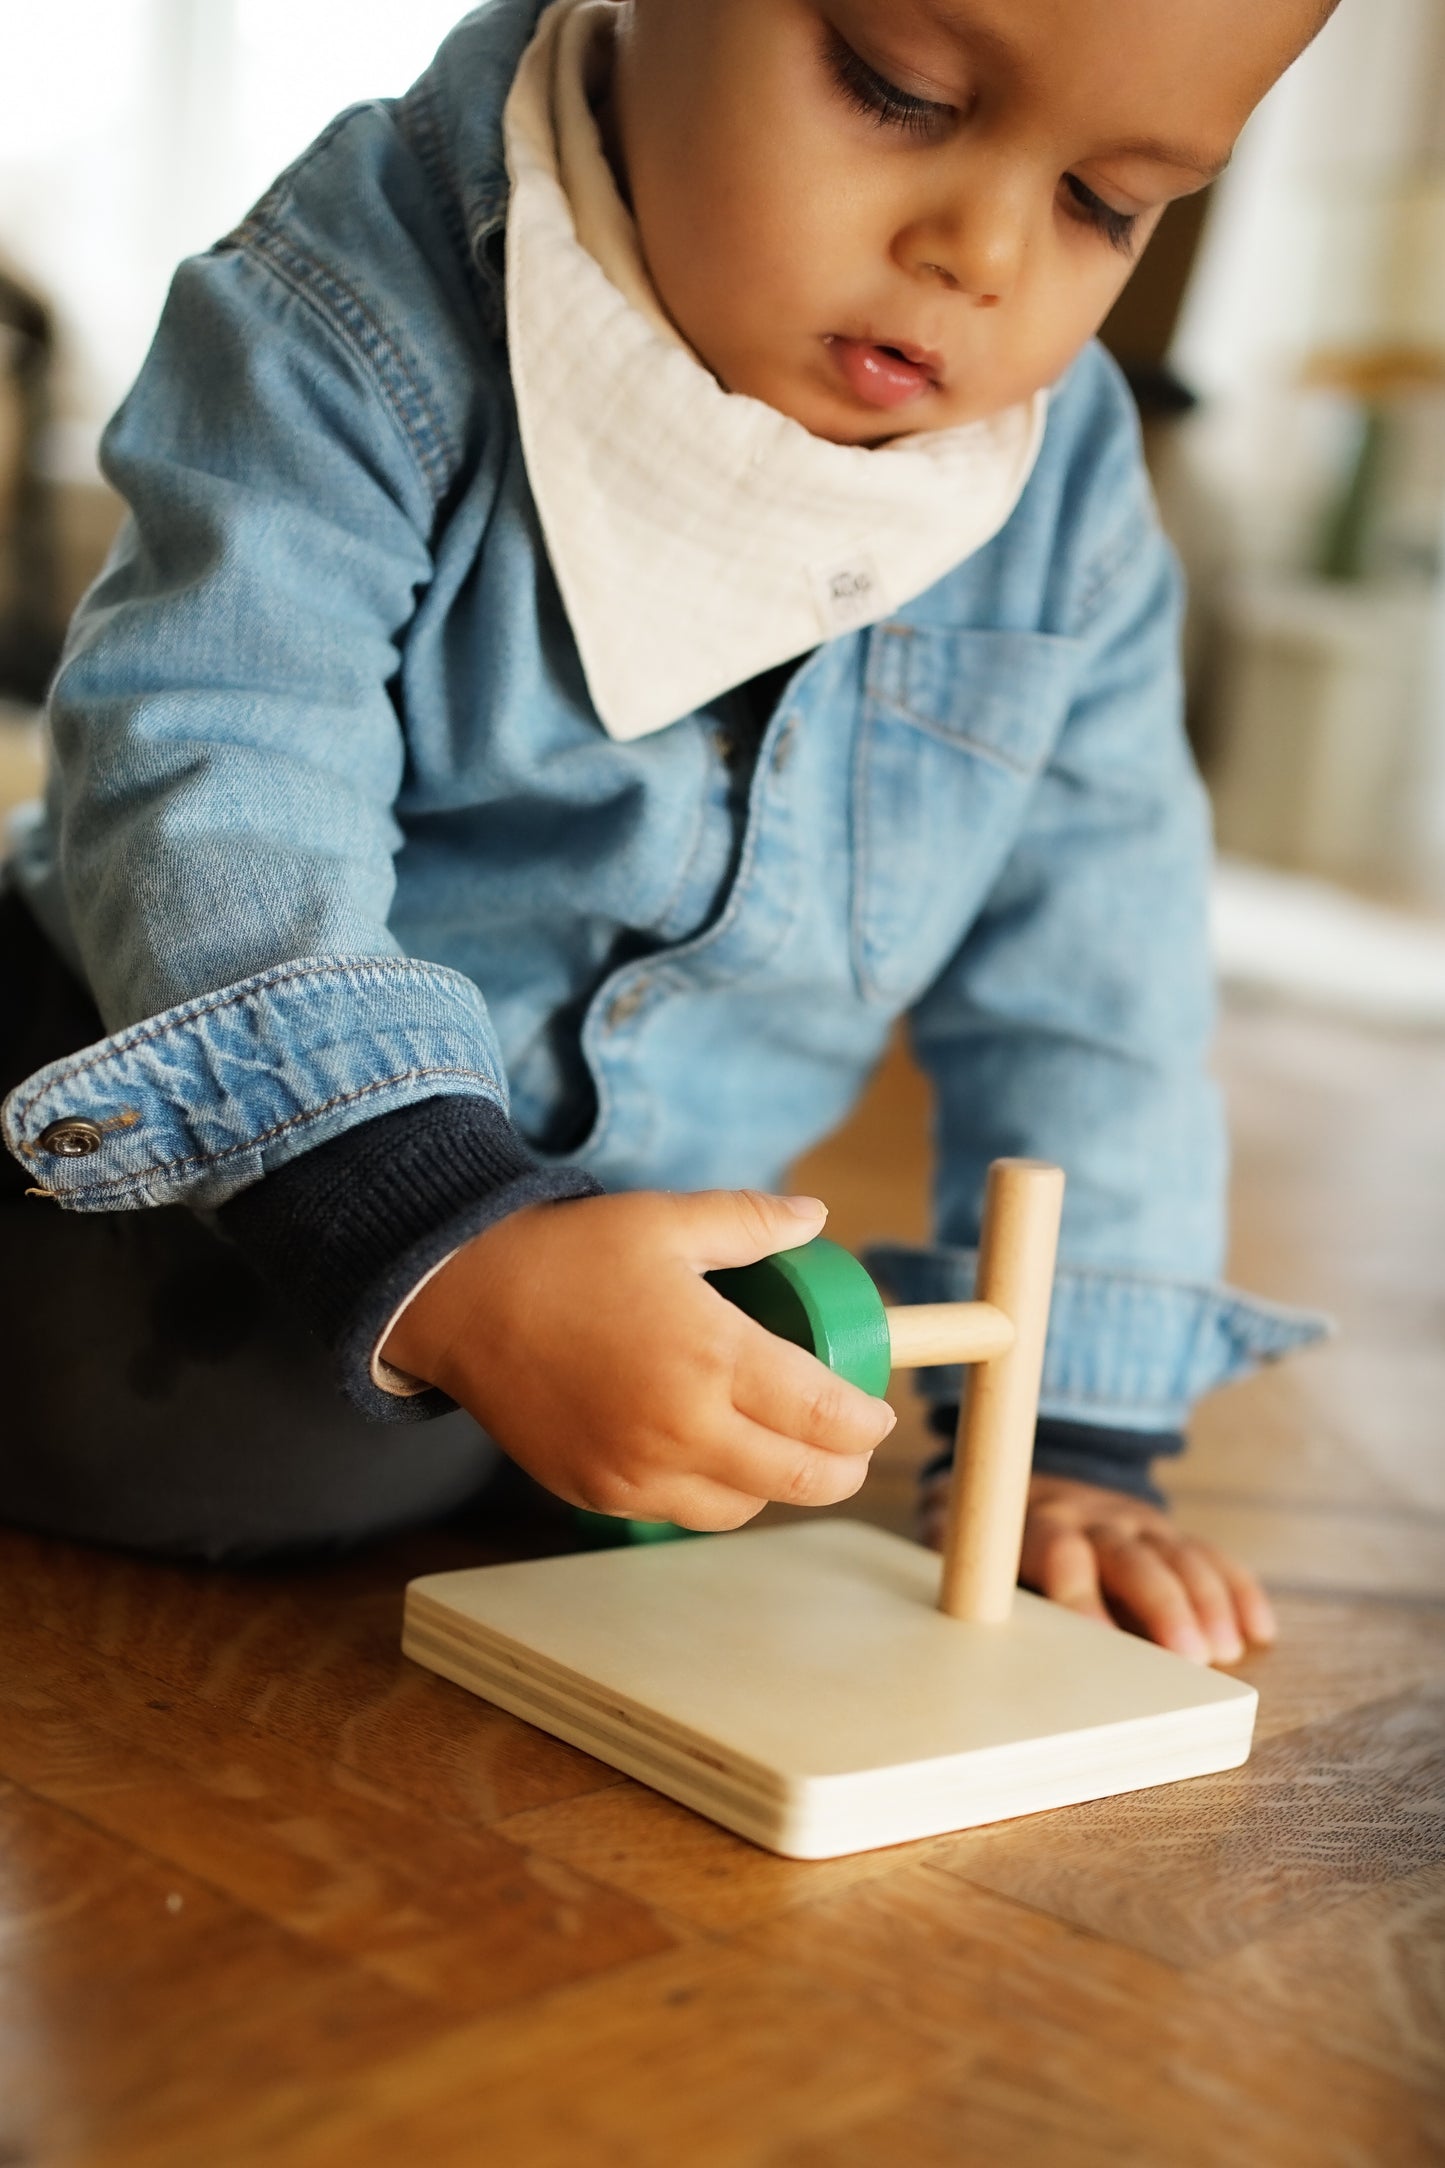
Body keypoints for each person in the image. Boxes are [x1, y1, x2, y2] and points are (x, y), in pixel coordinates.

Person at [1, 0, 1330, 1661]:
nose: (979, 250)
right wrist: (444, 1240)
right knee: (224, 1449)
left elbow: (1100, 976)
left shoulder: (1066, 518)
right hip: (212, 1103)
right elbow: (216, 754)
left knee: (711, 1464)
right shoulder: (350, 297)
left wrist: (1073, 1438)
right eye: (893, 90)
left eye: (1105, 204)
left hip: (652, 1198)